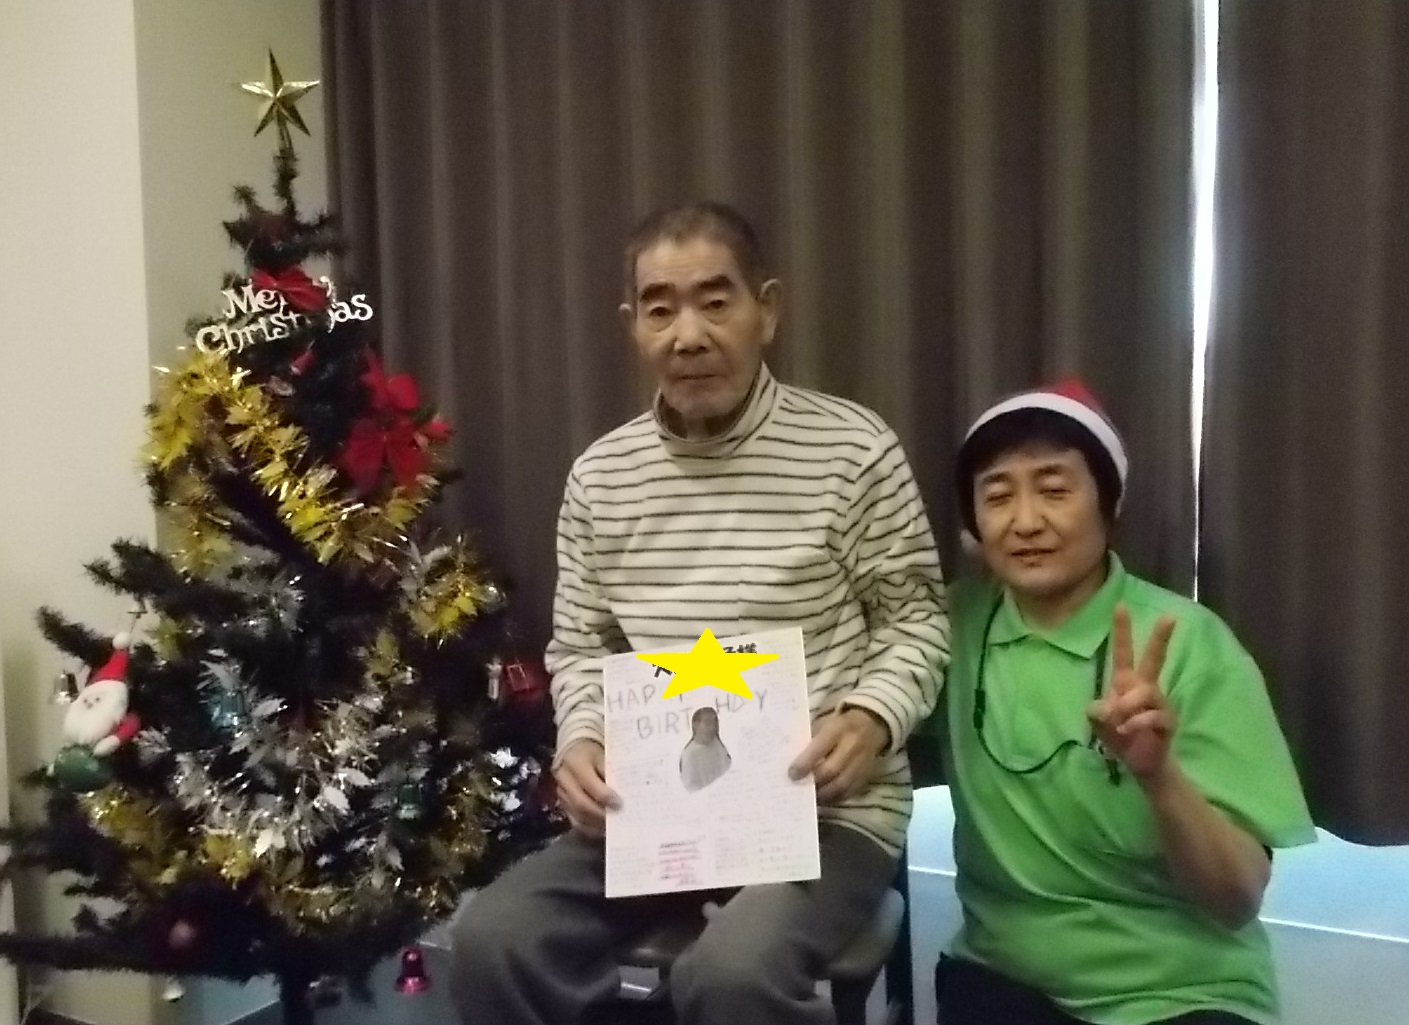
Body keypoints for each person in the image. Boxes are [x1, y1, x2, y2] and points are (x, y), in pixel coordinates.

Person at [450, 201, 949, 1025]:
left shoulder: (853, 450)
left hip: (825, 815)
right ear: (632, 325)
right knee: (492, 938)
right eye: (660, 309)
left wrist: (870, 716)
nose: (687, 335)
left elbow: (916, 619)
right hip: (658, 813)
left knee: (731, 974)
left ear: (767, 309)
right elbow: (582, 644)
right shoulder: (601, 477)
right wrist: (581, 741)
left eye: (716, 302)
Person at [930, 381, 1317, 1025]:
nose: (1026, 521)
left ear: (1109, 505)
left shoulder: (1190, 644)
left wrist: (1159, 776)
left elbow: (1237, 899)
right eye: (997, 496)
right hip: (1002, 975)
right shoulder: (950, 626)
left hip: (1181, 991)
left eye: (1055, 490)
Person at [679, 707, 732, 792]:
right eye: (707, 724)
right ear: (696, 725)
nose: (711, 727)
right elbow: (689, 786)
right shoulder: (690, 754)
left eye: (714, 724)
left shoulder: (719, 747)